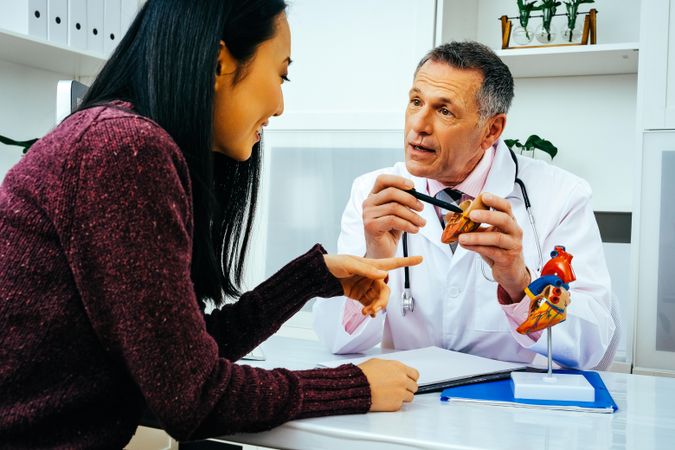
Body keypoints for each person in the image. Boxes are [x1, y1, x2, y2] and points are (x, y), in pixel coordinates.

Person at [0, 1, 424, 448]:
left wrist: (312, 278)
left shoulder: (119, 139)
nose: (280, 106)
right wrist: (355, 386)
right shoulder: (123, 148)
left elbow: (183, 361)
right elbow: (194, 399)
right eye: (282, 75)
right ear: (221, 61)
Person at [313, 41, 616, 370]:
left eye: (444, 111)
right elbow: (337, 340)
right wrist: (374, 262)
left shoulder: (562, 196)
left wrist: (519, 283)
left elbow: (592, 344)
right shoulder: (373, 193)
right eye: (416, 102)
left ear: (491, 130)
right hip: (410, 406)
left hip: (510, 412)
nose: (419, 125)